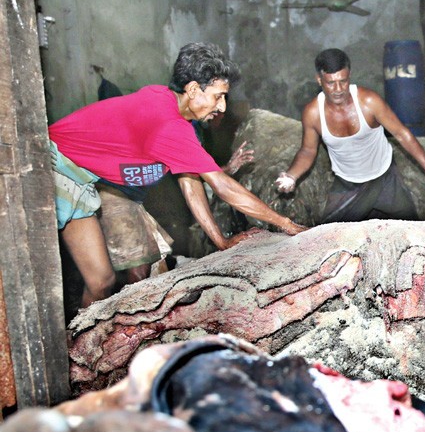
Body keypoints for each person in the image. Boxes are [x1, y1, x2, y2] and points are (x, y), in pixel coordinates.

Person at [49, 42, 306, 309]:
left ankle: (79, 342)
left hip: (81, 181)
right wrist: (287, 225)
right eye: (218, 96)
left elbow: (191, 183)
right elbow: (223, 186)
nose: (223, 107)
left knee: (102, 281)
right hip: (50, 166)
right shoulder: (169, 125)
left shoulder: (170, 106)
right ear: (193, 89)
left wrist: (221, 241)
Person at [274, 48, 425, 222]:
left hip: (385, 179)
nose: (338, 89)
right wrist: (291, 176)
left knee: (413, 230)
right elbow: (307, 151)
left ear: (349, 76)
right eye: (330, 83)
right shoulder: (313, 113)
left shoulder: (369, 102)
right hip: (347, 184)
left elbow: (402, 133)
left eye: (343, 81)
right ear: (319, 80)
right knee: (329, 237)